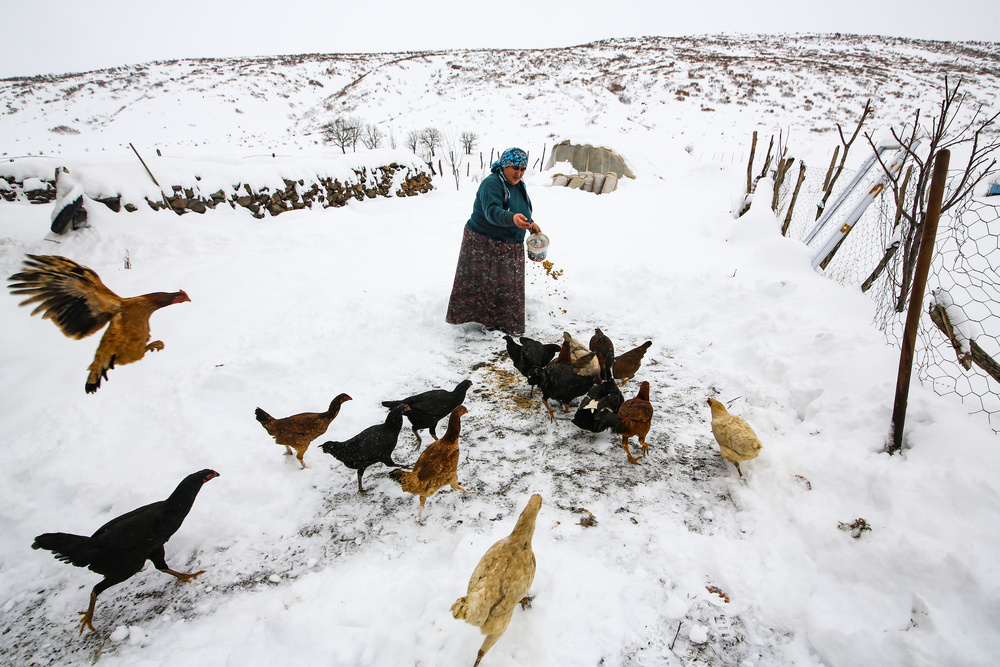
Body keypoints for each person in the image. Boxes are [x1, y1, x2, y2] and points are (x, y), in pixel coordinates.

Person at [446, 147, 542, 336]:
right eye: (515, 167)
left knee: (506, 286)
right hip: (483, 242)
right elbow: (492, 212)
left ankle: (504, 323)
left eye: (523, 169)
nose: (519, 173)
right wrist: (512, 219)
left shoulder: (518, 185)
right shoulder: (492, 184)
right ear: (504, 166)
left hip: (508, 244)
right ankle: (482, 323)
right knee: (484, 284)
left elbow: (519, 209)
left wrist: (530, 224)